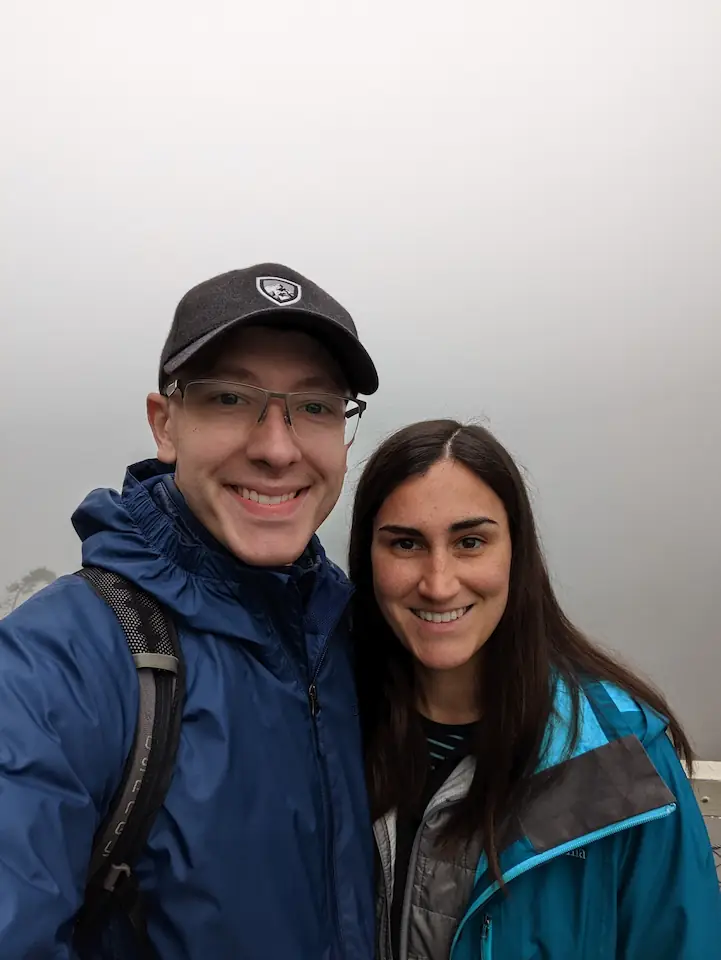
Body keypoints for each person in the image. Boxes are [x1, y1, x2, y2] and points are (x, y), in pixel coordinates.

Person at [0, 263, 379, 959]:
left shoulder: (355, 640)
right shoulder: (53, 668)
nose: (275, 446)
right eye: (230, 399)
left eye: (315, 405)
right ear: (164, 423)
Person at [349, 419, 721, 960]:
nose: (438, 582)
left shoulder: (623, 759)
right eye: (405, 543)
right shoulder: (326, 722)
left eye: (470, 541)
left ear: (515, 553)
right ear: (368, 558)